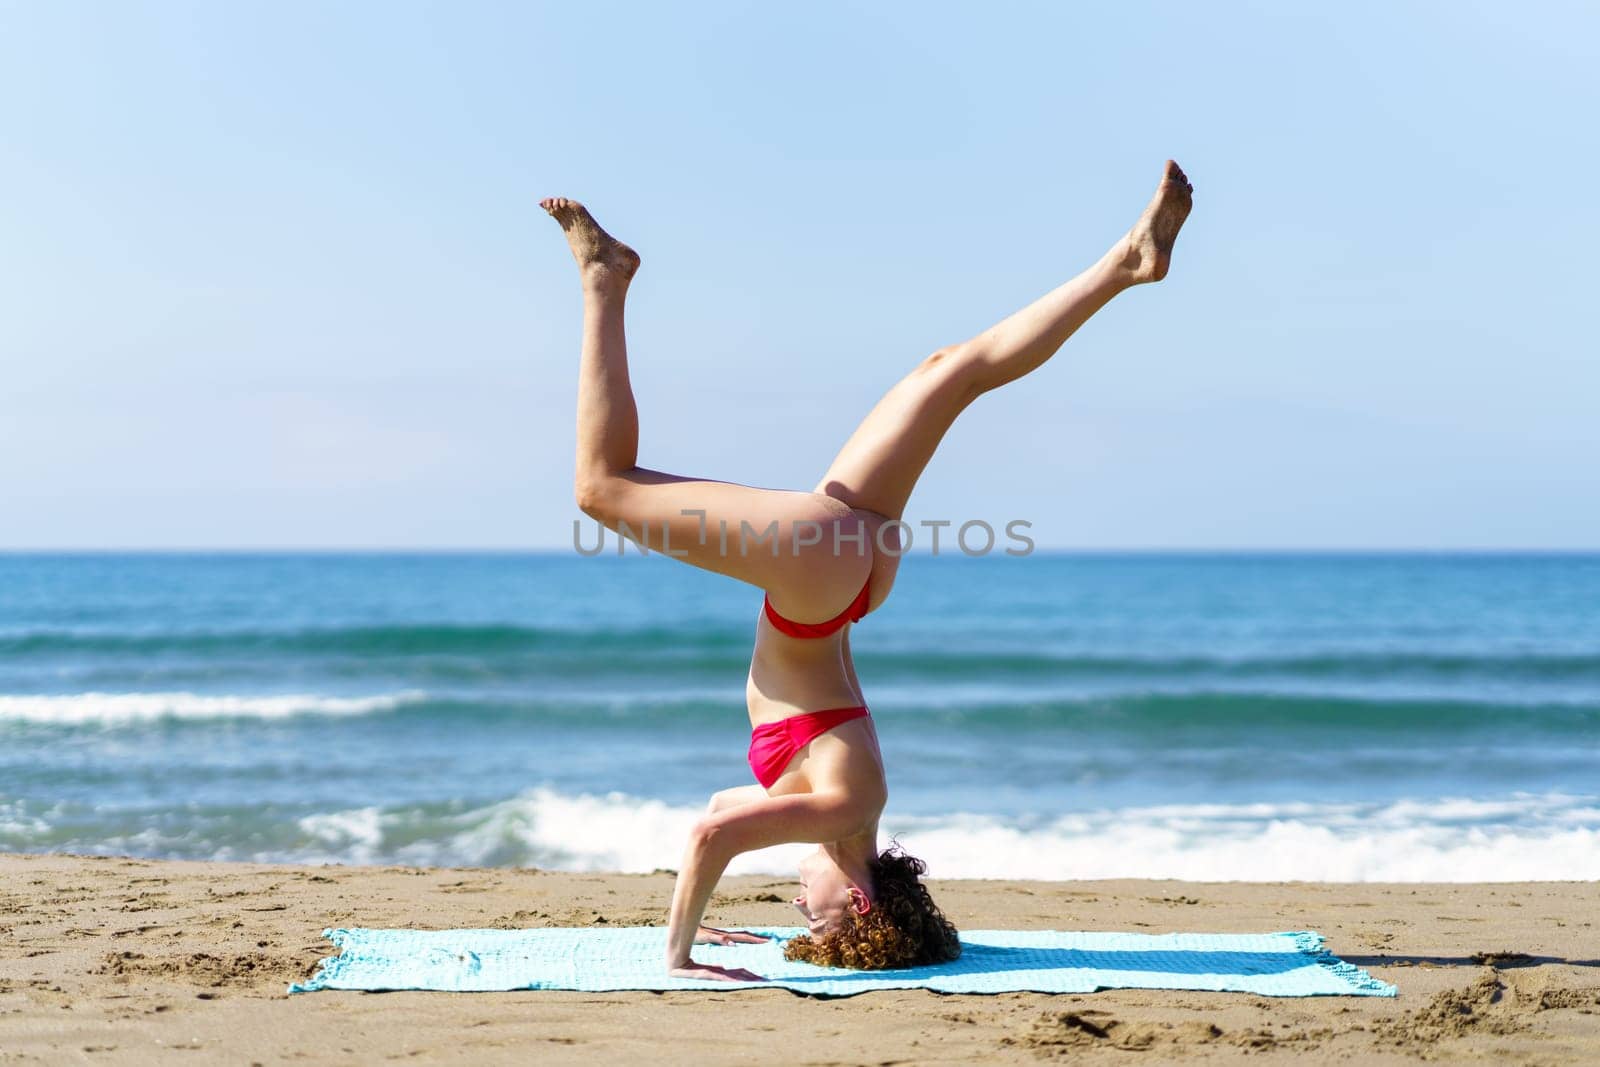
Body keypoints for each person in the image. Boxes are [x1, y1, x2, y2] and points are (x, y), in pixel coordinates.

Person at [540, 161, 1193, 981]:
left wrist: (707, 925)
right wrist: (680, 955)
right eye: (810, 909)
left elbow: (716, 814)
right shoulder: (847, 809)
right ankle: (608, 281)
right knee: (602, 488)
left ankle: (1124, 267)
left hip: (854, 573)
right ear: (861, 902)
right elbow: (714, 839)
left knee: (951, 371)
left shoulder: (842, 814)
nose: (795, 903)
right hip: (817, 574)